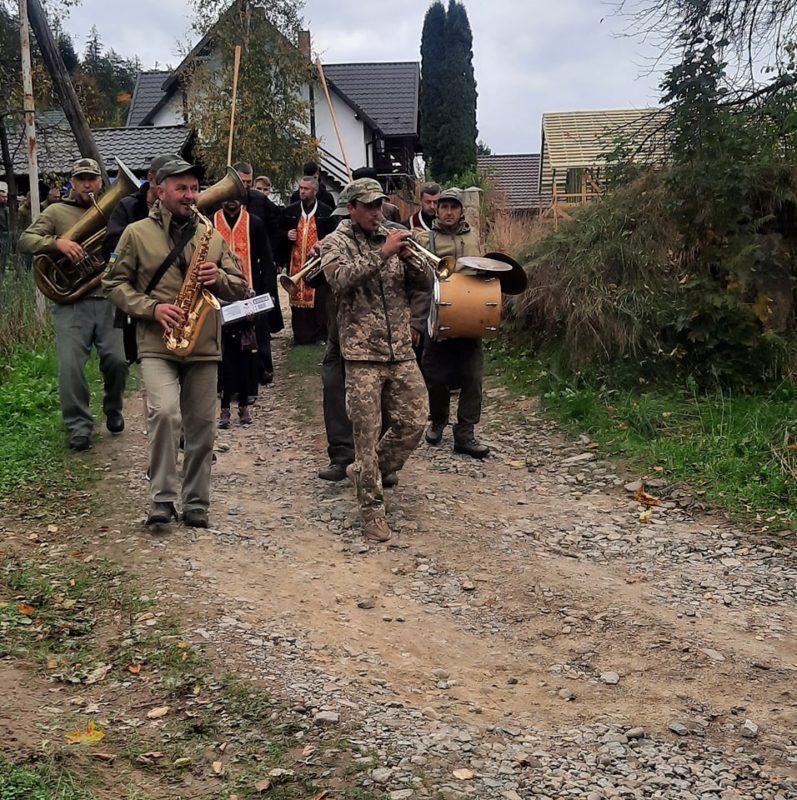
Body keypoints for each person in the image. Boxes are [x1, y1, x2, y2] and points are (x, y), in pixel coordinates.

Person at [103, 159, 246, 527]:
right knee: (165, 413)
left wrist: (219, 278)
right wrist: (152, 308)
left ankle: (197, 502)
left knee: (201, 425)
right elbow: (113, 284)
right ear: (160, 189)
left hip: (204, 342)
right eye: (181, 188)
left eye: (194, 188)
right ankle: (162, 499)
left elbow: (239, 284)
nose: (190, 196)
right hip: (156, 340)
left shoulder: (210, 234)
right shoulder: (135, 233)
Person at [320, 178, 431, 543]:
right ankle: (372, 511)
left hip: (399, 349)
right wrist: (382, 253)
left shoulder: (395, 234)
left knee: (415, 420)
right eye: (367, 206)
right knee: (364, 436)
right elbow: (340, 280)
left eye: (379, 205)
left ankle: (369, 471)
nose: (375, 212)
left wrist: (412, 259)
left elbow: (426, 283)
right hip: (361, 354)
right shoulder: (335, 242)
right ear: (351, 208)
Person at [19, 158, 128, 452]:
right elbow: (26, 240)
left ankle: (114, 408)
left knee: (117, 361)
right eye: (81, 179)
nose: (87, 184)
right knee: (70, 368)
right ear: (73, 182)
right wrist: (58, 244)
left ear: (100, 182)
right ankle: (79, 426)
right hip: (72, 305)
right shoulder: (56, 211)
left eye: (92, 179)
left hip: (107, 300)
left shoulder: (114, 211)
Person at [415, 187, 489, 459]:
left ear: (460, 211)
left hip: (469, 315)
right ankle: (437, 419)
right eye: (443, 207)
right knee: (434, 375)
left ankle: (466, 433)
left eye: (453, 207)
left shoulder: (474, 237)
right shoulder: (426, 238)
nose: (448, 212)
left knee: (472, 377)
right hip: (437, 316)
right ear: (437, 209)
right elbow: (418, 276)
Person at [213, 194, 273, 427]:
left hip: (249, 293)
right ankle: (225, 399)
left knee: (249, 352)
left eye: (235, 198)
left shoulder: (254, 222)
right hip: (220, 296)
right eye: (227, 197)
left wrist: (268, 293)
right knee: (225, 358)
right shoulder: (211, 222)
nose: (230, 202)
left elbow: (265, 258)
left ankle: (248, 395)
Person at [232, 161, 284, 383]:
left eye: (248, 182)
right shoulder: (220, 203)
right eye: (240, 182)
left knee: (259, 324)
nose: (244, 187)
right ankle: (233, 375)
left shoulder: (259, 200)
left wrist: (271, 255)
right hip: (229, 272)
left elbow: (276, 226)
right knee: (231, 324)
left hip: (256, 267)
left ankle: (262, 369)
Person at [279, 176, 335, 345]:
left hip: (317, 263)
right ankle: (302, 335)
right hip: (295, 263)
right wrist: (285, 235)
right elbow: (278, 231)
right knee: (297, 295)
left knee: (319, 298)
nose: (302, 191)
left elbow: (333, 236)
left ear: (315, 191)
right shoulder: (290, 211)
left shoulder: (326, 211)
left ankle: (320, 335)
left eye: (306, 188)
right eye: (301, 188)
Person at [102, 154, 179, 262]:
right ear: (151, 178)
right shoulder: (129, 206)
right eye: (167, 179)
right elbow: (110, 252)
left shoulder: (182, 207)